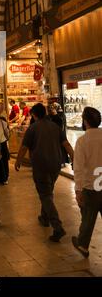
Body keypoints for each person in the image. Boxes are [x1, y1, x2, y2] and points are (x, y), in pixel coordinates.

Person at [15, 103, 74, 242]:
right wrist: (74, 157)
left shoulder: (33, 128)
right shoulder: (55, 127)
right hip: (55, 164)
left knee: (45, 194)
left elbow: (24, 147)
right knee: (48, 190)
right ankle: (44, 217)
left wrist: (18, 160)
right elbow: (66, 144)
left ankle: (57, 226)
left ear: (34, 115)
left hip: (40, 165)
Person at [72, 107, 102, 258]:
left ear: (85, 121)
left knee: (88, 218)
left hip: (91, 187)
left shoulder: (83, 141)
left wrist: (78, 190)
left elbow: (78, 168)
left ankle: (83, 245)